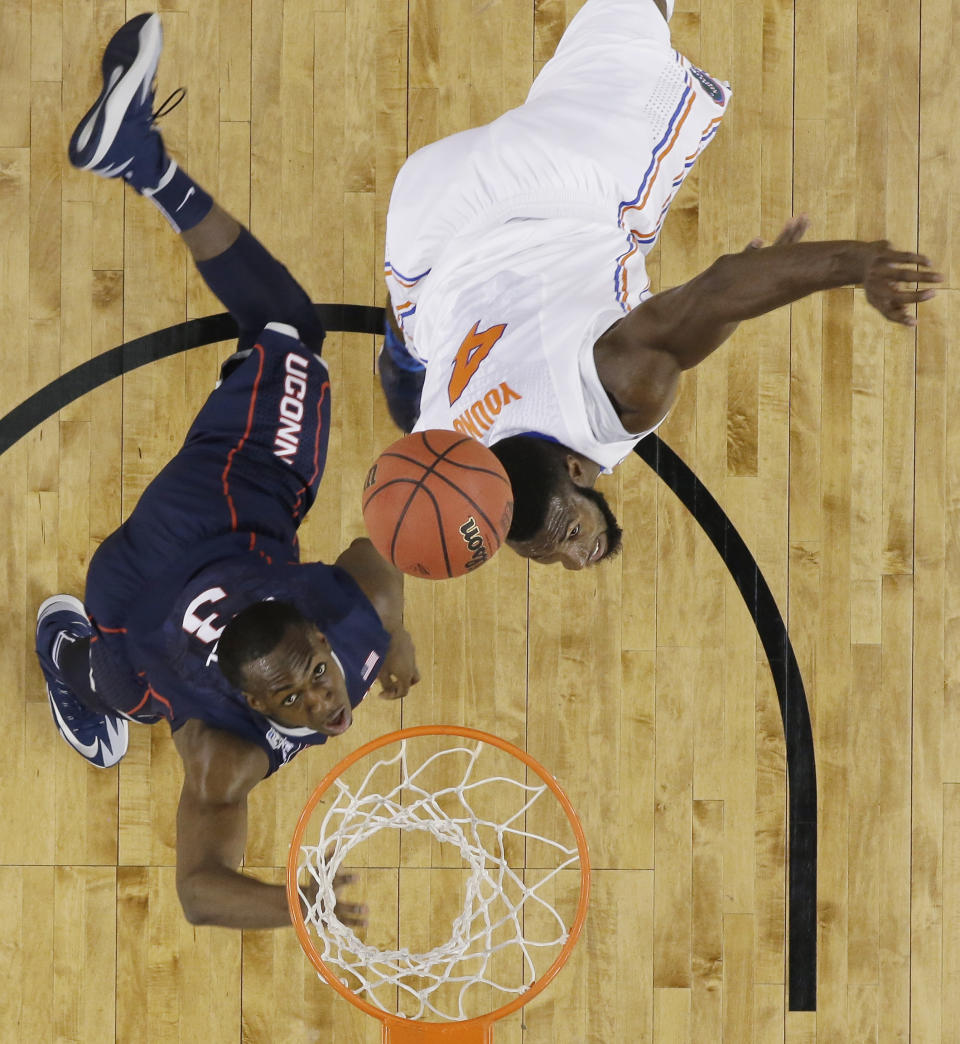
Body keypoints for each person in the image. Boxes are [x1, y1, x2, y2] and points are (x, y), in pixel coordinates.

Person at [35, 13, 419, 931]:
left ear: (316, 630)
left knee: (288, 328)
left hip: (202, 531)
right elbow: (200, 896)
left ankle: (133, 157)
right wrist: (301, 904)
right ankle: (72, 658)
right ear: (251, 699)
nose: (321, 701)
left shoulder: (241, 727)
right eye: (296, 694)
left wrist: (397, 640)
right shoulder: (259, 709)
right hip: (173, 599)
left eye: (313, 677)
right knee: (131, 688)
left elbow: (375, 554)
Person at [379, 0, 941, 569]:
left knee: (636, 21)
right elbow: (704, 316)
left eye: (568, 533)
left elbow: (720, 289)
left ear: (576, 471)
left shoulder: (618, 396)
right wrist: (758, 281)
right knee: (416, 346)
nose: (579, 557)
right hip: (424, 227)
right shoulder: (452, 453)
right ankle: (400, 351)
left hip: (555, 177)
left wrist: (859, 263)